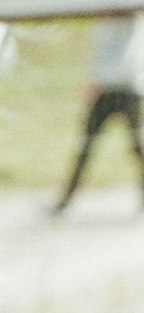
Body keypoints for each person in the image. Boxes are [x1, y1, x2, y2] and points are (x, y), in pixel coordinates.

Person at [54, 12, 144, 211]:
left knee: (137, 146)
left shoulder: (127, 16)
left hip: (127, 88)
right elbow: (101, 53)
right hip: (104, 89)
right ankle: (65, 201)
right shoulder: (100, 18)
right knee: (86, 145)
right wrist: (93, 79)